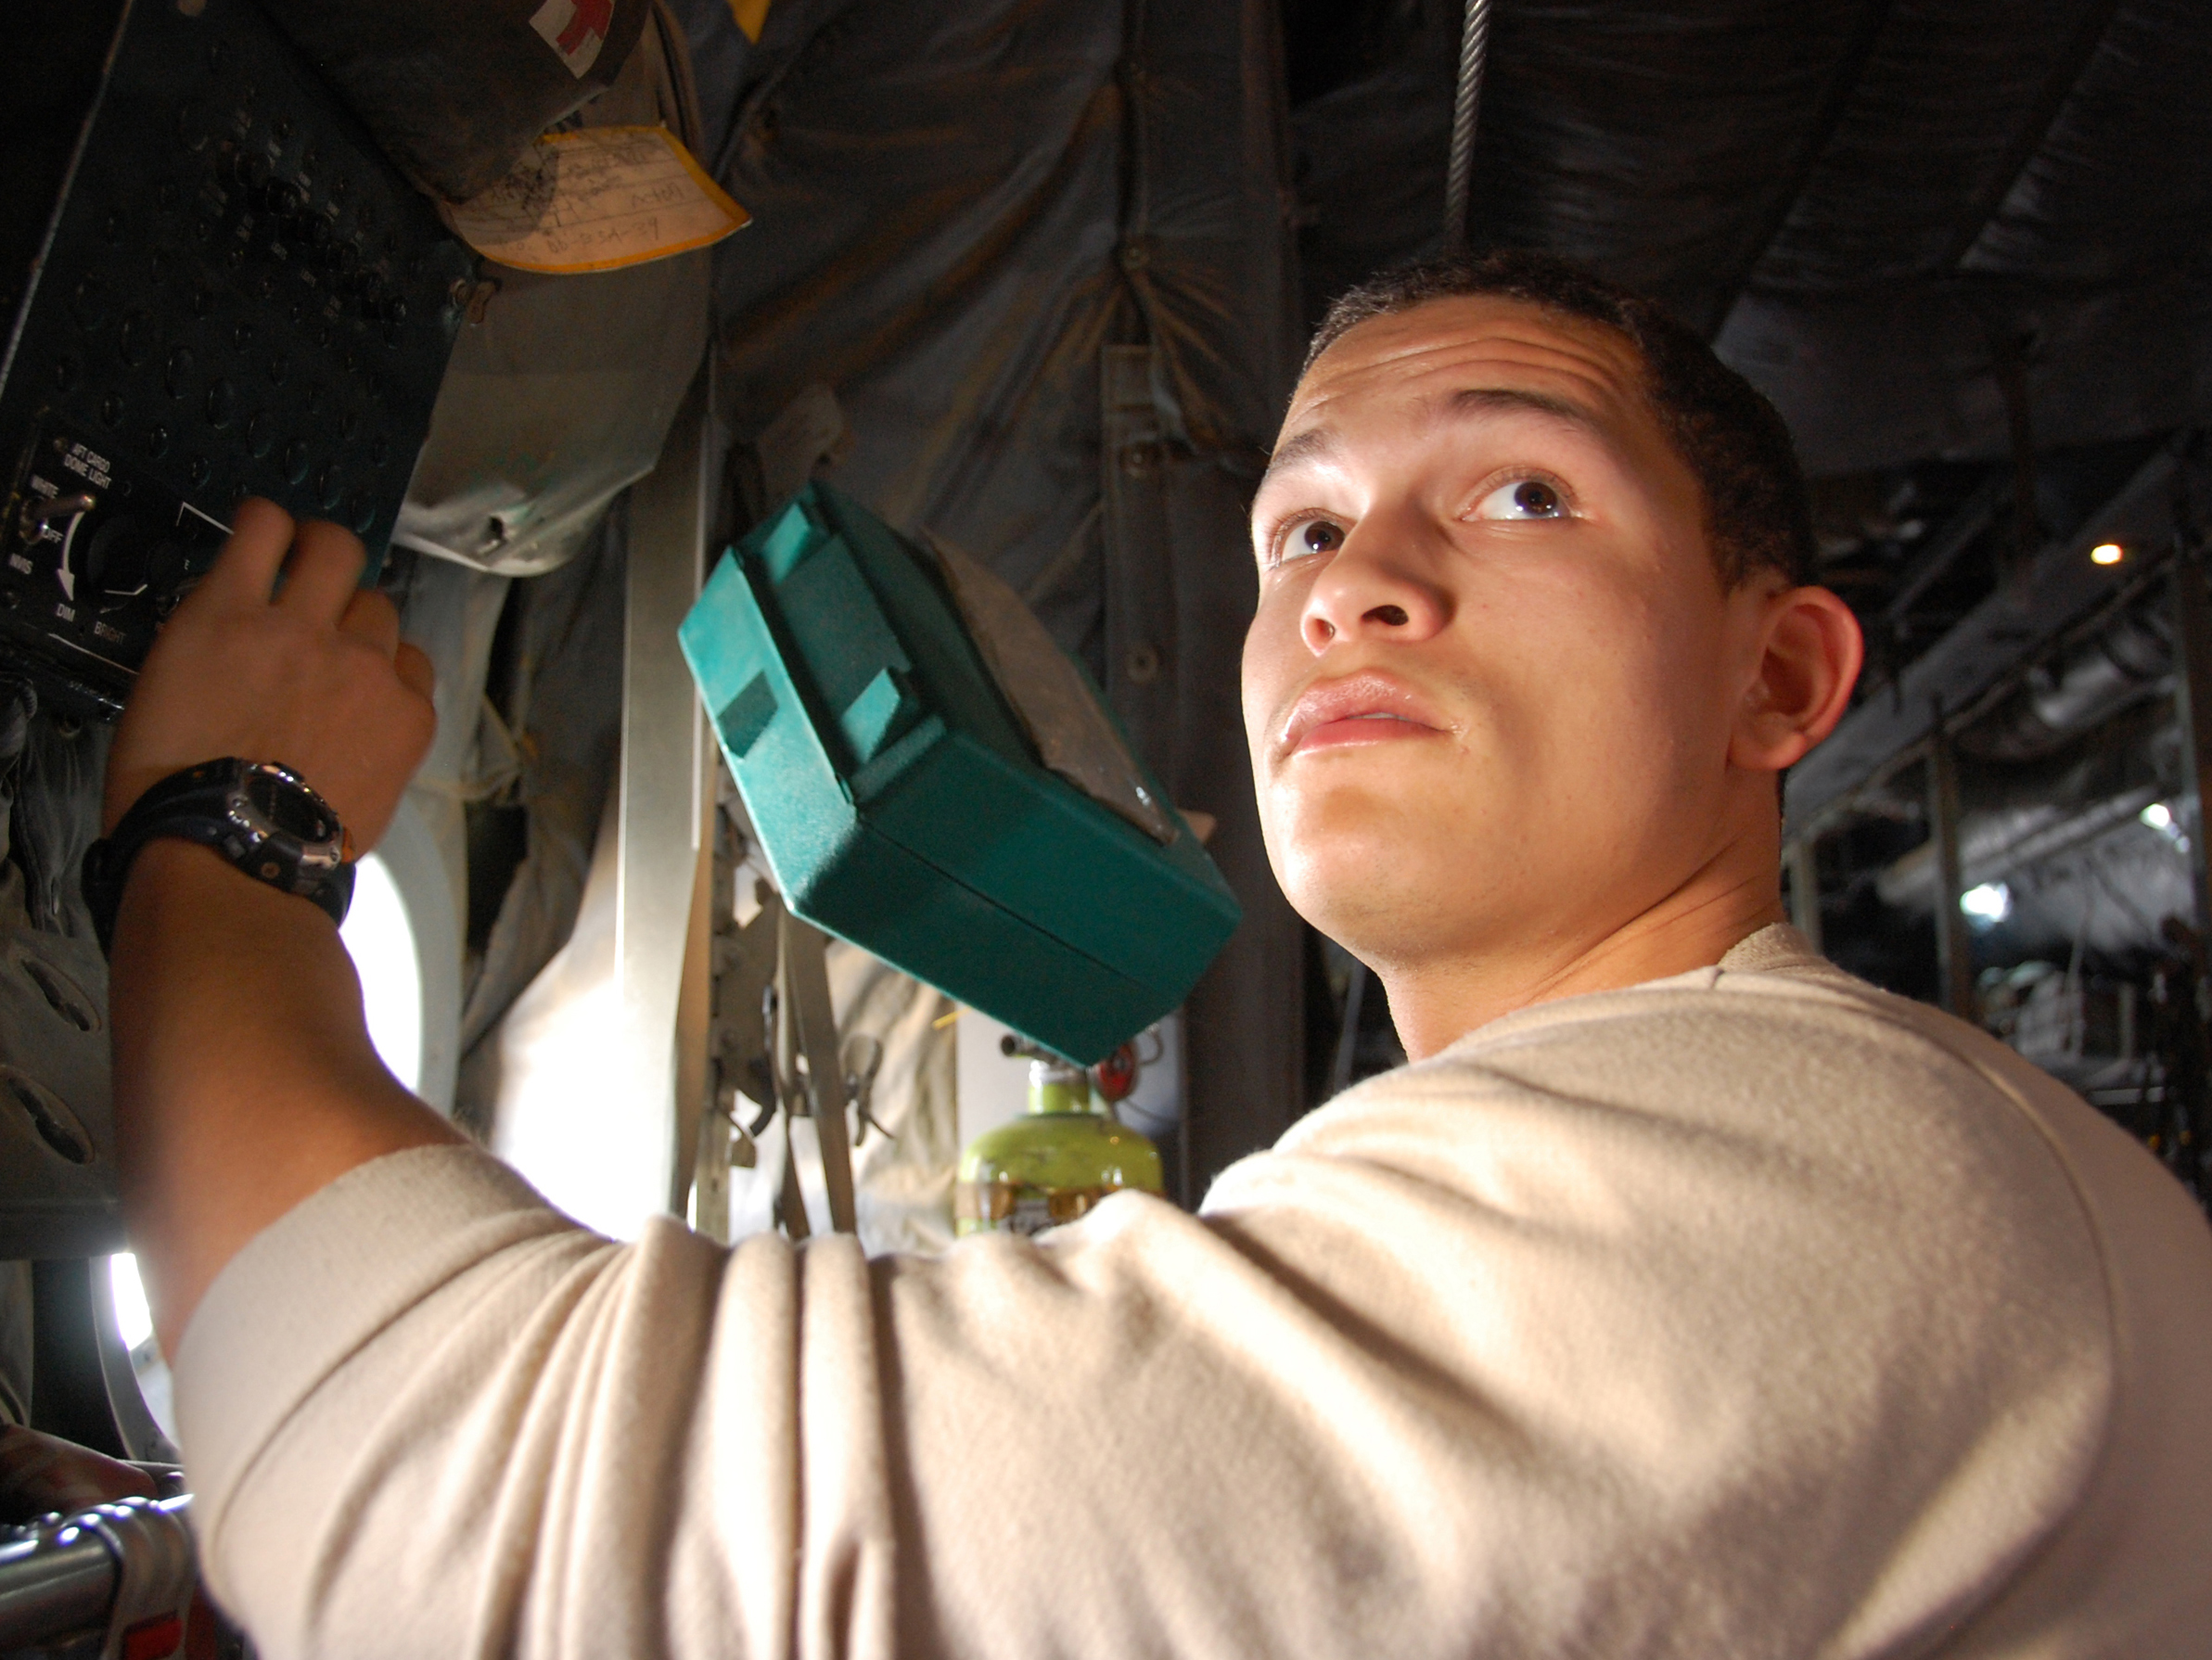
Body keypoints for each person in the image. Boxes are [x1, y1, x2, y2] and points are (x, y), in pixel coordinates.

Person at [100, 251, 2212, 1658]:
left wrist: (232, 829)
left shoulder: (1803, 1173)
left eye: (1521, 493)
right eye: (1300, 525)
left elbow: (475, 1509)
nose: (1356, 583)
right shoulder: (1703, 1141)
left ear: (1777, 673)